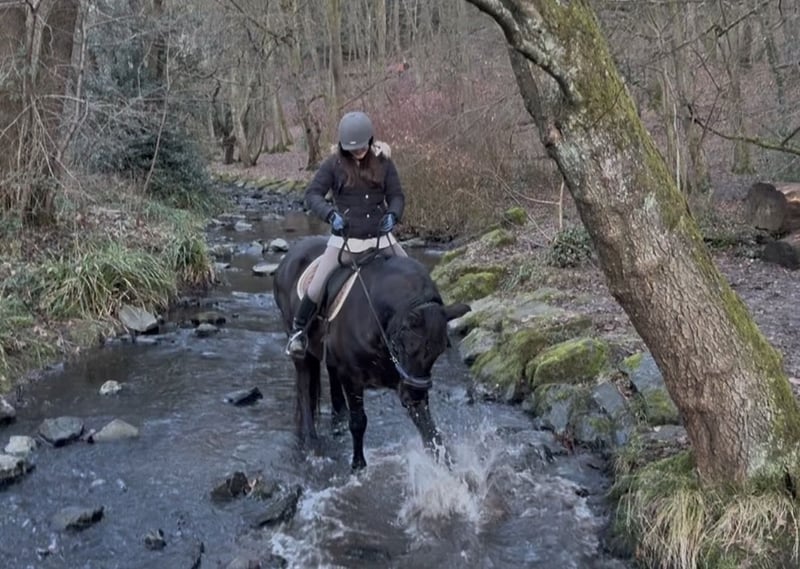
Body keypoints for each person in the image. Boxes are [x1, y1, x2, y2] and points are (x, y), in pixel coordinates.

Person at [285, 110, 408, 358]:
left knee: (412, 272)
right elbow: (312, 195)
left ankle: (430, 325)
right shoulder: (333, 165)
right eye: (353, 149)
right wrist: (330, 214)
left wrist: (393, 215)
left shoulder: (384, 162)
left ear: (369, 140)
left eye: (362, 147)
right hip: (345, 241)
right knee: (317, 285)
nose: (358, 152)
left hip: (380, 238)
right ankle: (298, 333)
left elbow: (396, 195)